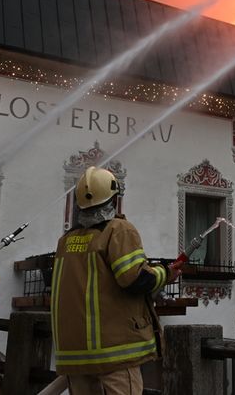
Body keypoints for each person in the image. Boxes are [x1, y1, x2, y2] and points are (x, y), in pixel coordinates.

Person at [50, 166, 178, 395]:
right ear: (114, 198)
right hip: (115, 351)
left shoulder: (66, 241)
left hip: (75, 354)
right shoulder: (119, 230)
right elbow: (135, 280)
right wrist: (166, 273)